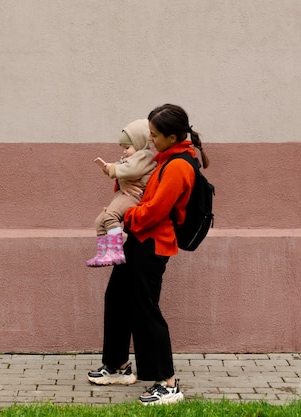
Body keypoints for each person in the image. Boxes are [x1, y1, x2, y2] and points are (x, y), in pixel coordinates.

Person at [87, 104, 210, 406]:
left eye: (155, 135)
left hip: (153, 244)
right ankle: (117, 366)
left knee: (145, 309)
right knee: (116, 298)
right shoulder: (164, 159)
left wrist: (127, 219)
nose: (150, 140)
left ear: (171, 136)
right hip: (139, 241)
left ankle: (167, 383)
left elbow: (156, 210)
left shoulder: (179, 166)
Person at [86, 119, 156, 267]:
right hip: (125, 194)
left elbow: (132, 170)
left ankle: (115, 251)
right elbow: (123, 167)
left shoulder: (145, 156)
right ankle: (103, 252)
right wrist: (108, 168)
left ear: (139, 142)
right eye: (123, 147)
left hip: (135, 195)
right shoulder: (131, 157)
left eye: (127, 147)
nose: (124, 151)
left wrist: (113, 169)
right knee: (100, 220)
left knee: (110, 216)